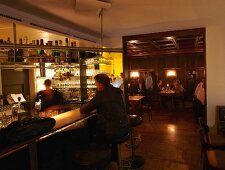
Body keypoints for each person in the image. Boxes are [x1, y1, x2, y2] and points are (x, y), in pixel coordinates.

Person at [80, 73, 130, 142]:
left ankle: (98, 150)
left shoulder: (101, 95)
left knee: (87, 131)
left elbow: (83, 110)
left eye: (96, 83)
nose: (95, 85)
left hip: (112, 131)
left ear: (100, 84)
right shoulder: (118, 91)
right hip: (125, 126)